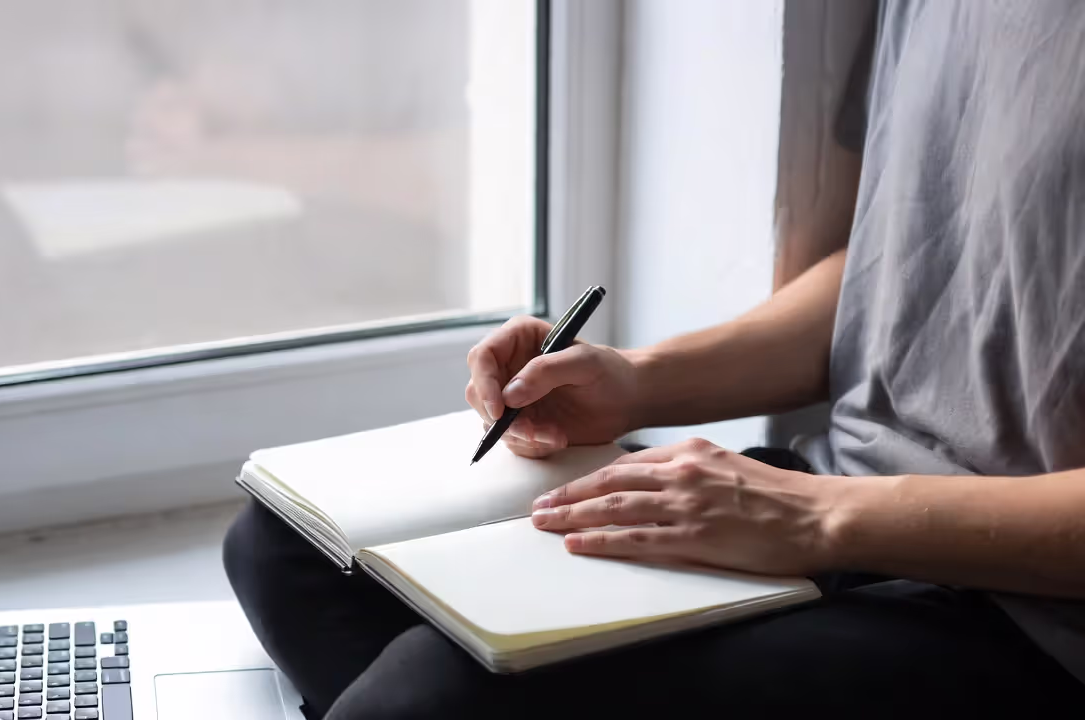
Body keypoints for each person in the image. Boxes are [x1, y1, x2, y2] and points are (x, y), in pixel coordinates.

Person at [225, 2, 1085, 717]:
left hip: (1031, 617)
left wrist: (819, 517)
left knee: (433, 693)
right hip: (845, 505)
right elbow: (902, 265)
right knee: (288, 549)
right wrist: (639, 384)